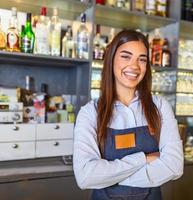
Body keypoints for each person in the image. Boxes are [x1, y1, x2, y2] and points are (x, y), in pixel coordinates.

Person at [73, 30, 184, 200]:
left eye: (142, 59)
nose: (134, 66)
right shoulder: (90, 112)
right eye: (126, 56)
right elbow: (86, 176)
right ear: (111, 60)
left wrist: (109, 177)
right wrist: (143, 159)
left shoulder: (160, 106)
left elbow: (174, 166)